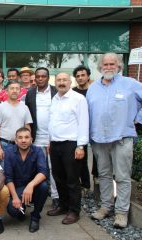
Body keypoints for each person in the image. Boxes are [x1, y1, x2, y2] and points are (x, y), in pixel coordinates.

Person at [87, 53, 142, 228]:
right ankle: (105, 207)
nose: (109, 67)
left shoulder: (130, 84)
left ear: (119, 66)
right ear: (100, 67)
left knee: (122, 177)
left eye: (112, 64)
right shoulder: (93, 87)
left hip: (121, 138)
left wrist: (138, 118)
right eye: (106, 64)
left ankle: (121, 213)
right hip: (99, 139)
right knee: (103, 175)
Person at [47, 72, 89, 225]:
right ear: (55, 82)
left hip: (71, 144)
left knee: (72, 180)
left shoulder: (78, 99)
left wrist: (81, 146)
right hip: (55, 144)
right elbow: (53, 122)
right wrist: (50, 141)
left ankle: (74, 211)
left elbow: (84, 123)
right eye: (59, 80)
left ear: (70, 82)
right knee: (58, 178)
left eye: (65, 80)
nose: (61, 82)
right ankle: (63, 206)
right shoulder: (55, 98)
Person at [24, 67, 59, 209]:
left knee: (53, 169)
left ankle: (56, 197)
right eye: (37, 76)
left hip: (54, 138)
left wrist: (52, 138)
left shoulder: (56, 92)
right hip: (36, 138)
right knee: (36, 168)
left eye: (43, 76)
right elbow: (27, 115)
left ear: (48, 77)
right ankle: (34, 196)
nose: (40, 79)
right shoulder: (30, 94)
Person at [4, 127, 48, 233]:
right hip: (18, 188)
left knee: (44, 186)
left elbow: (43, 172)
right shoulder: (9, 152)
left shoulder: (38, 151)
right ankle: (21, 211)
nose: (23, 140)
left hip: (34, 189)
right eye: (20, 138)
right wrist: (14, 197)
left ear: (31, 140)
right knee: (13, 211)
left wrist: (31, 185)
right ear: (16, 140)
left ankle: (35, 217)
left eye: (26, 137)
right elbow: (8, 178)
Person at [0, 81, 33, 164]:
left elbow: (27, 127)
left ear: (20, 91)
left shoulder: (25, 107)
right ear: (6, 91)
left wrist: (29, 143)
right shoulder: (0, 107)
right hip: (5, 145)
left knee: (21, 171)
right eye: (12, 88)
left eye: (17, 89)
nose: (14, 91)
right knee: (5, 172)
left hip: (21, 145)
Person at [72, 65, 94, 192]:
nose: (80, 78)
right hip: (80, 130)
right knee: (81, 158)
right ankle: (85, 185)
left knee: (97, 159)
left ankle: (94, 180)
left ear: (88, 76)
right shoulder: (73, 92)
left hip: (94, 128)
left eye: (83, 75)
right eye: (78, 76)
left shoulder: (94, 90)